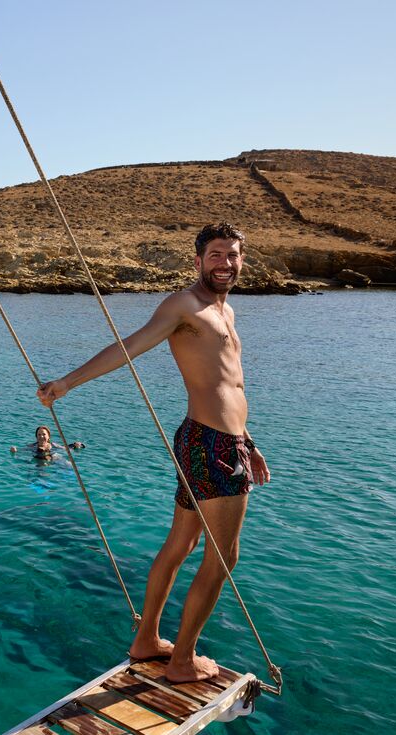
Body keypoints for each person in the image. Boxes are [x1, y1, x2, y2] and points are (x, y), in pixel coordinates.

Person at [37, 222, 271, 683]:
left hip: (220, 441)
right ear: (199, 259)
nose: (225, 262)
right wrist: (67, 383)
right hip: (212, 444)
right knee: (224, 557)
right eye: (216, 254)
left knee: (182, 544)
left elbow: (230, 385)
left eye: (233, 254)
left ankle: (147, 641)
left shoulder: (226, 311)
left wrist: (250, 443)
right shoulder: (185, 306)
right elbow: (130, 347)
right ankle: (181, 661)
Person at [10, 425, 84, 459]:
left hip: (52, 459)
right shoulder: (32, 446)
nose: (41, 436)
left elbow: (66, 448)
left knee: (66, 463)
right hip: (38, 461)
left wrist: (75, 445)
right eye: (39, 435)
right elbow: (21, 450)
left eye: (44, 434)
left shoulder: (54, 445)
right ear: (36, 437)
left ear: (49, 436)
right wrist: (14, 450)